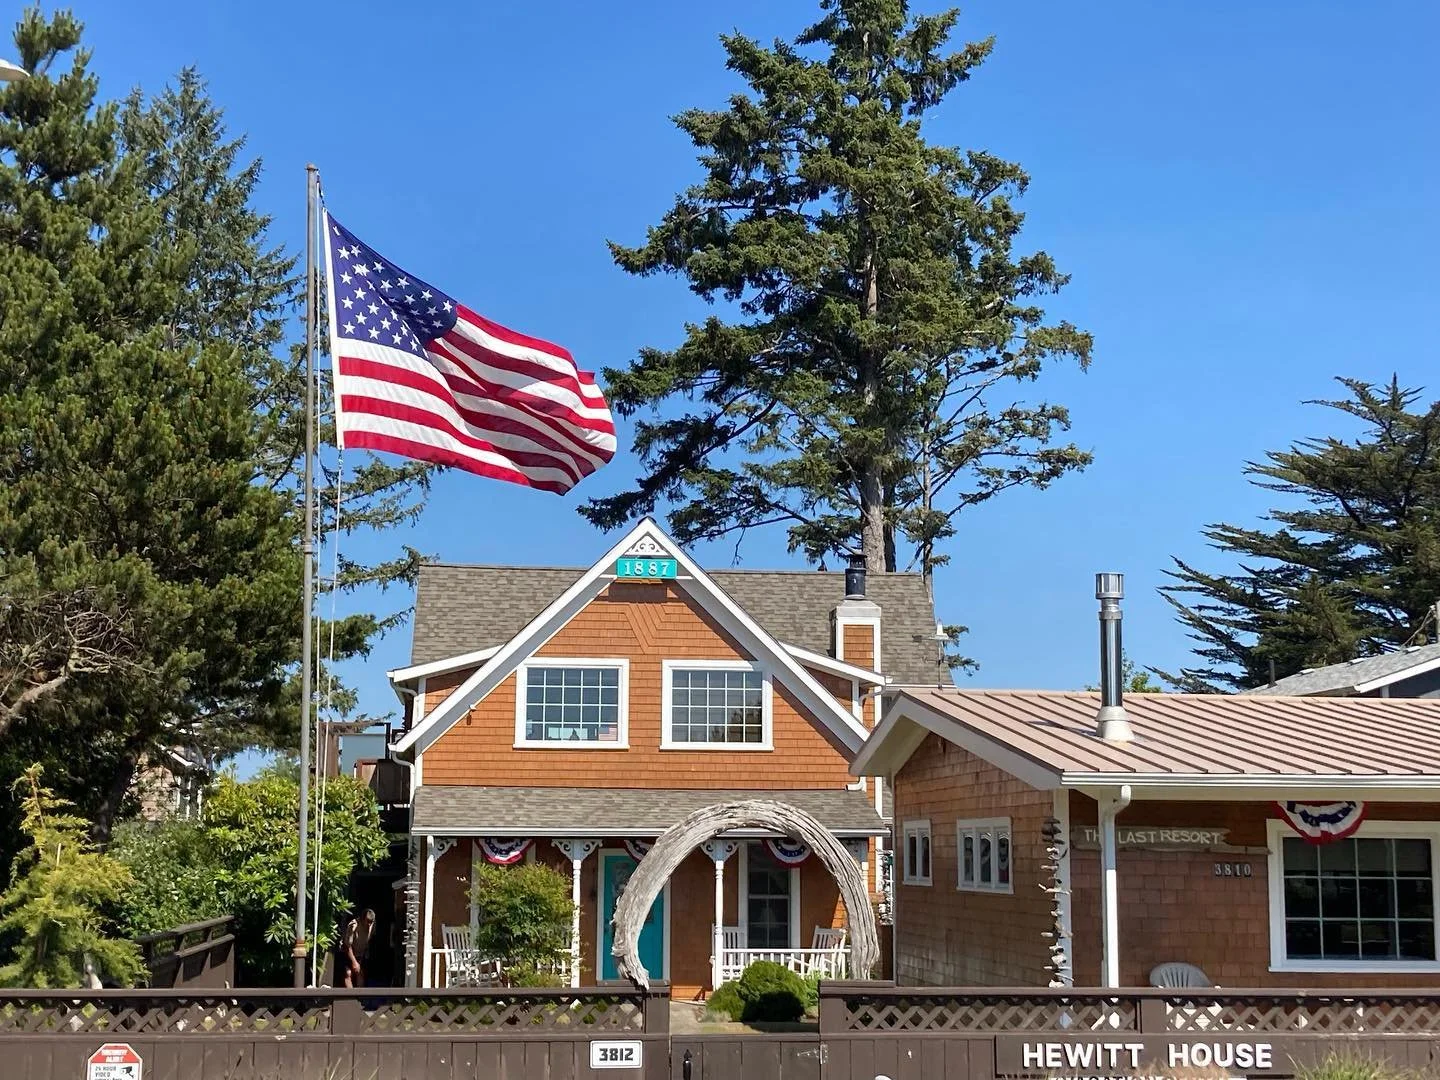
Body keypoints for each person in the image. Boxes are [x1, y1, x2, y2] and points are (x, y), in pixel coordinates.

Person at [337, 909, 376, 988]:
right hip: (348, 952)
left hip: (360, 952)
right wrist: (354, 962)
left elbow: (369, 938)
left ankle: (360, 997)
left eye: (371, 922)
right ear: (362, 919)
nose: (369, 924)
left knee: (360, 973)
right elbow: (347, 946)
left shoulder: (373, 924)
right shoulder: (353, 926)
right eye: (367, 921)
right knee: (348, 973)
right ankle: (351, 996)